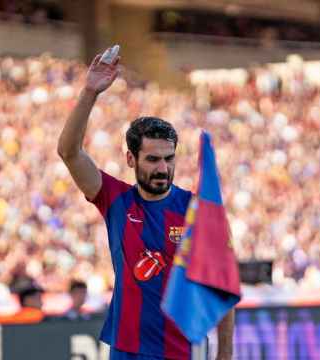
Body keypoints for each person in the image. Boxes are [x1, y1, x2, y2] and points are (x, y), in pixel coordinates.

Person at [57, 49, 235, 360]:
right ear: (130, 159)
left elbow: (221, 288)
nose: (162, 168)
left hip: (181, 352)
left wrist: (225, 356)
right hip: (126, 351)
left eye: (168, 159)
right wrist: (89, 92)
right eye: (152, 159)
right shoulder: (116, 200)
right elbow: (69, 153)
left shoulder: (198, 211)